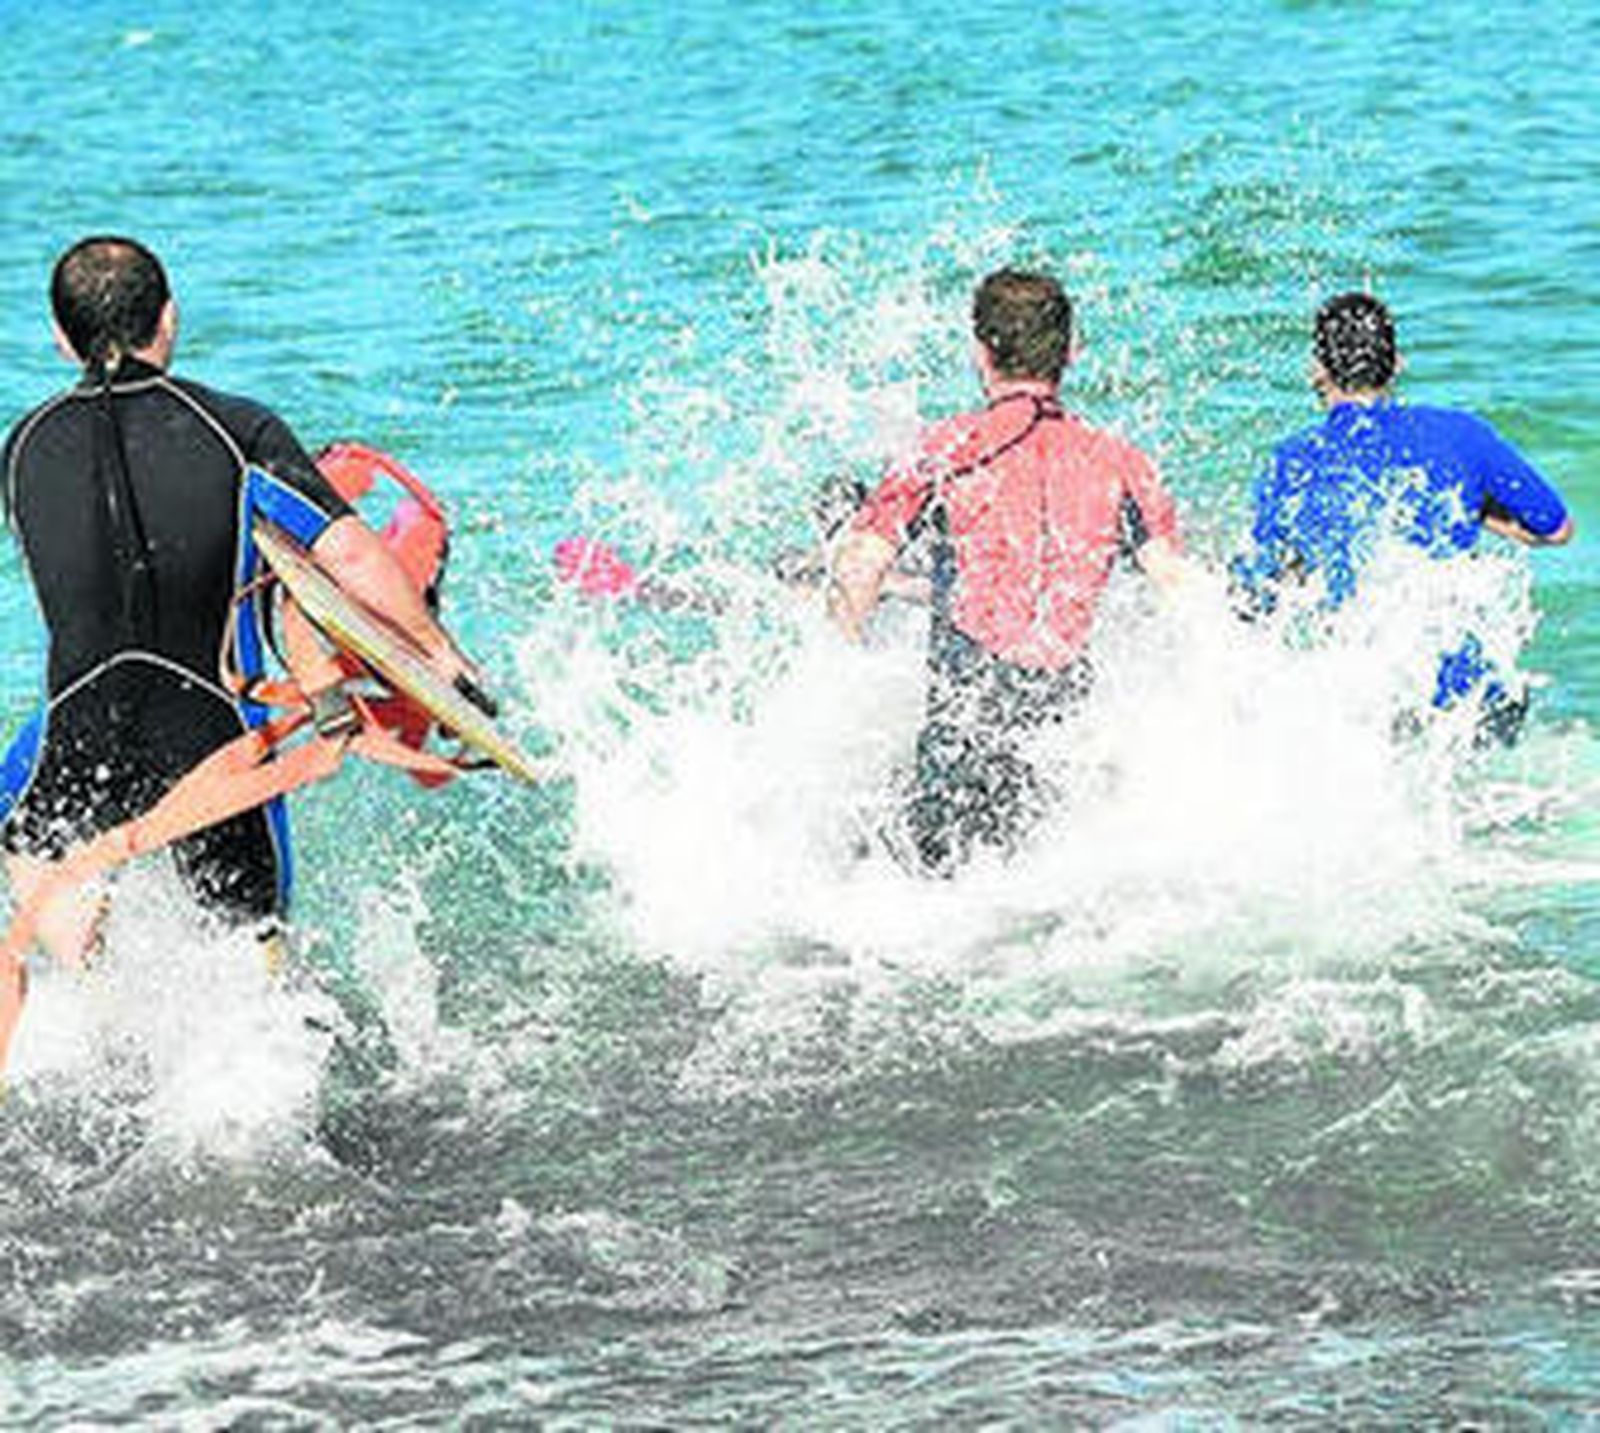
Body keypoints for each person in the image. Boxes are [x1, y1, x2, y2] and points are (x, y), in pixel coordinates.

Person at [0, 235, 476, 967]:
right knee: (253, 964)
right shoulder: (237, 431)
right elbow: (345, 553)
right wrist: (438, 653)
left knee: (32, 844)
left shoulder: (21, 448)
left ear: (63, 341)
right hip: (213, 742)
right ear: (170, 318)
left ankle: (89, 1020)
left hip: (82, 732)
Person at [830, 268, 1185, 872]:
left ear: (981, 349)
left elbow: (859, 568)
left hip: (962, 735)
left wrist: (833, 688)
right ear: (1072, 352)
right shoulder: (1120, 461)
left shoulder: (942, 450)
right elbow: (1177, 586)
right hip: (1059, 736)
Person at [1231, 291, 1574, 744]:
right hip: (1476, 701)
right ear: (1397, 365)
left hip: (1377, 702)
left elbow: (1253, 600)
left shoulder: (1291, 462)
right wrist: (1484, 512)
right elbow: (1555, 528)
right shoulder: (1462, 433)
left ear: (1318, 369)